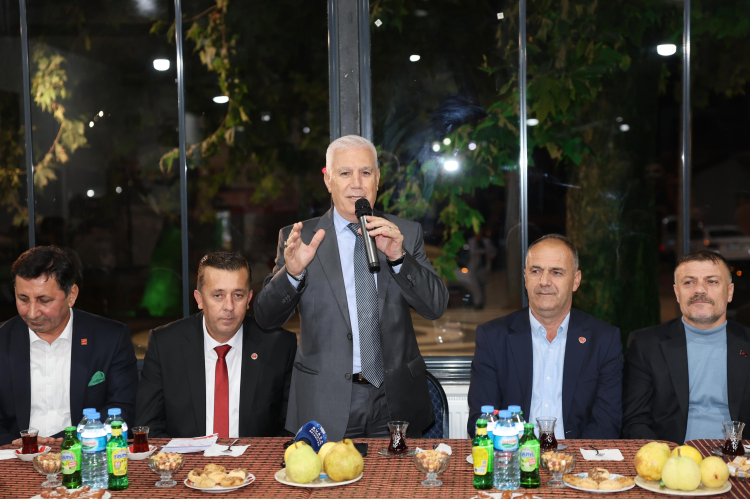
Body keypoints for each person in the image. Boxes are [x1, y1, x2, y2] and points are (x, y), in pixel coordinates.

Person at [253, 135, 449, 441]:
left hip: (394, 399)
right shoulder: (301, 237)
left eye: (365, 172)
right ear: (328, 179)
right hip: (324, 399)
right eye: (345, 173)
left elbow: (435, 306)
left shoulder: (404, 234)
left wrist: (399, 257)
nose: (356, 183)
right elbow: (266, 317)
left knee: (395, 475)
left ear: (378, 179)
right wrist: (292, 273)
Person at [467, 234, 623, 438]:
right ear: (525, 278)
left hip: (577, 455)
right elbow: (481, 420)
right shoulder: (493, 338)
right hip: (513, 452)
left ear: (576, 281)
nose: (544, 281)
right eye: (536, 271)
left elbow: (607, 423)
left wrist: (569, 456)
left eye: (556, 272)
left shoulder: (603, 340)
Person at [135, 251, 296, 438]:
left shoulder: (278, 346)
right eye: (218, 295)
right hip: (185, 457)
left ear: (249, 298)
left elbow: (290, 429)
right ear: (199, 299)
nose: (229, 306)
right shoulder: (165, 345)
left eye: (238, 295)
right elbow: (149, 427)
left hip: (255, 456)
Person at [0, 246, 138, 446]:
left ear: (71, 295)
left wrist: (64, 441)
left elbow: (122, 410)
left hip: (85, 453)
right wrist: (18, 443)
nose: (32, 313)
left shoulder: (110, 339)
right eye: (23, 299)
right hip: (14, 455)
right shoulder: (3, 339)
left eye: (44, 300)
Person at [623, 251, 750, 443]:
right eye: (689, 282)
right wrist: (665, 455)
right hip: (672, 456)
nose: (700, 290)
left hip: (739, 456)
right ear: (677, 293)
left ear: (729, 292)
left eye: (712, 281)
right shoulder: (645, 345)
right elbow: (634, 421)